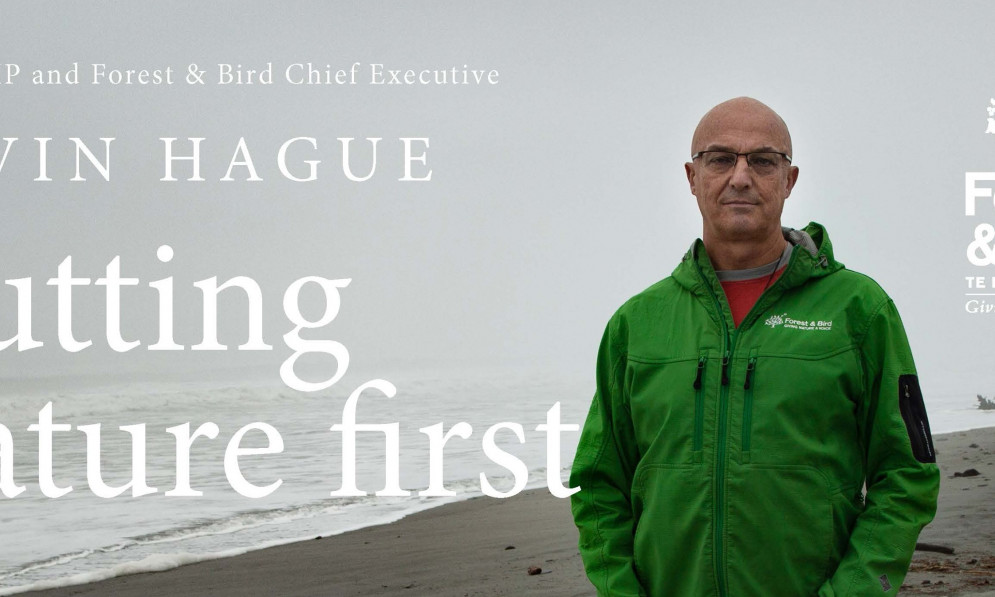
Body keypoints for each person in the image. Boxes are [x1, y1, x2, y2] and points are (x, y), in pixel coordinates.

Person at [569, 97, 940, 596]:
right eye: (720, 159)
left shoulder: (860, 310)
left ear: (789, 180)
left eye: (763, 161)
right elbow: (597, 484)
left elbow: (907, 474)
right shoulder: (637, 324)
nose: (740, 177)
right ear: (691, 177)